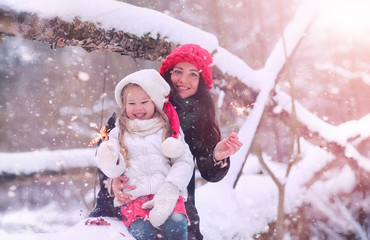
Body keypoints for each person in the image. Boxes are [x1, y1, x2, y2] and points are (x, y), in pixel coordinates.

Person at [90, 44, 243, 239]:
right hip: (131, 200)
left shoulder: (201, 117)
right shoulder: (140, 104)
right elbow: (104, 149)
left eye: (193, 74)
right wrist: (112, 181)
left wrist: (216, 155)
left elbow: (209, 172)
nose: (183, 80)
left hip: (176, 204)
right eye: (177, 71)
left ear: (202, 80)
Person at [95, 69, 194, 239]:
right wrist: (108, 159)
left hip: (166, 194)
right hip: (134, 197)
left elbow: (184, 160)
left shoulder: (168, 129)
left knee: (176, 225)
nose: (138, 108)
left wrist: (172, 186)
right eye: (131, 103)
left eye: (144, 102)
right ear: (124, 105)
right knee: (143, 233)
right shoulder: (119, 132)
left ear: (154, 103)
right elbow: (114, 166)